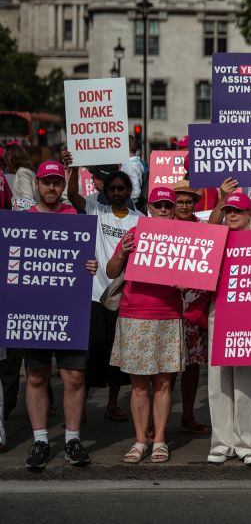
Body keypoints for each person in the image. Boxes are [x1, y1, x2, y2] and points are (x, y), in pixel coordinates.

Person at [22, 161, 98, 470]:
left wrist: (89, 265)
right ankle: (40, 440)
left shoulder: (76, 218)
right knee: (37, 376)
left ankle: (71, 439)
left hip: (70, 311)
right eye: (47, 182)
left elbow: (86, 260)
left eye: (57, 182)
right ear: (37, 185)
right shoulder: (22, 221)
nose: (52, 187)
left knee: (74, 376)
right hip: (34, 312)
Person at [106, 187, 185, 464]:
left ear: (174, 209)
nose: (163, 209)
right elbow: (111, 272)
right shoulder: (133, 234)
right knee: (138, 386)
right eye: (158, 205)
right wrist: (121, 255)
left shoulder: (184, 239)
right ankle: (140, 441)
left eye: (168, 205)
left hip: (167, 314)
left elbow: (197, 274)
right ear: (148, 207)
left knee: (163, 384)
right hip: (134, 315)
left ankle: (160, 439)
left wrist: (186, 282)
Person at [65, 152, 142, 423]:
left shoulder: (139, 220)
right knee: (91, 352)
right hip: (95, 294)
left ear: (129, 190)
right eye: (112, 188)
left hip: (124, 298)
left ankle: (112, 404)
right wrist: (72, 168)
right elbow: (72, 195)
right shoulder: (95, 210)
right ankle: (80, 407)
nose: (117, 192)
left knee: (117, 356)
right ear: (106, 191)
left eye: (122, 188)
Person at [206, 193, 251, 466]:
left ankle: (248, 443)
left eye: (238, 211)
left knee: (247, 381)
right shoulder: (215, 237)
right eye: (228, 210)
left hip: (250, 312)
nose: (232, 215)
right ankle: (222, 443)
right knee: (218, 379)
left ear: (249, 213)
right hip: (219, 309)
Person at [172, 180, 210, 435]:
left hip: (194, 307)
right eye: (180, 201)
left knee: (193, 365)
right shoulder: (161, 228)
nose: (184, 205)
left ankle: (187, 414)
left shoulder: (204, 228)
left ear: (196, 204)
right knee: (166, 367)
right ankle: (156, 421)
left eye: (189, 201)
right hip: (167, 306)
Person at [5, 142, 37, 210]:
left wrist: (14, 205)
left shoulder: (23, 172)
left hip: (24, 217)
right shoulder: (27, 170)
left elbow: (28, 200)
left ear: (10, 158)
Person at [121, 134, 144, 206]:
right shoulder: (136, 162)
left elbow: (136, 190)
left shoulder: (130, 165)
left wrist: (129, 203)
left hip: (131, 204)